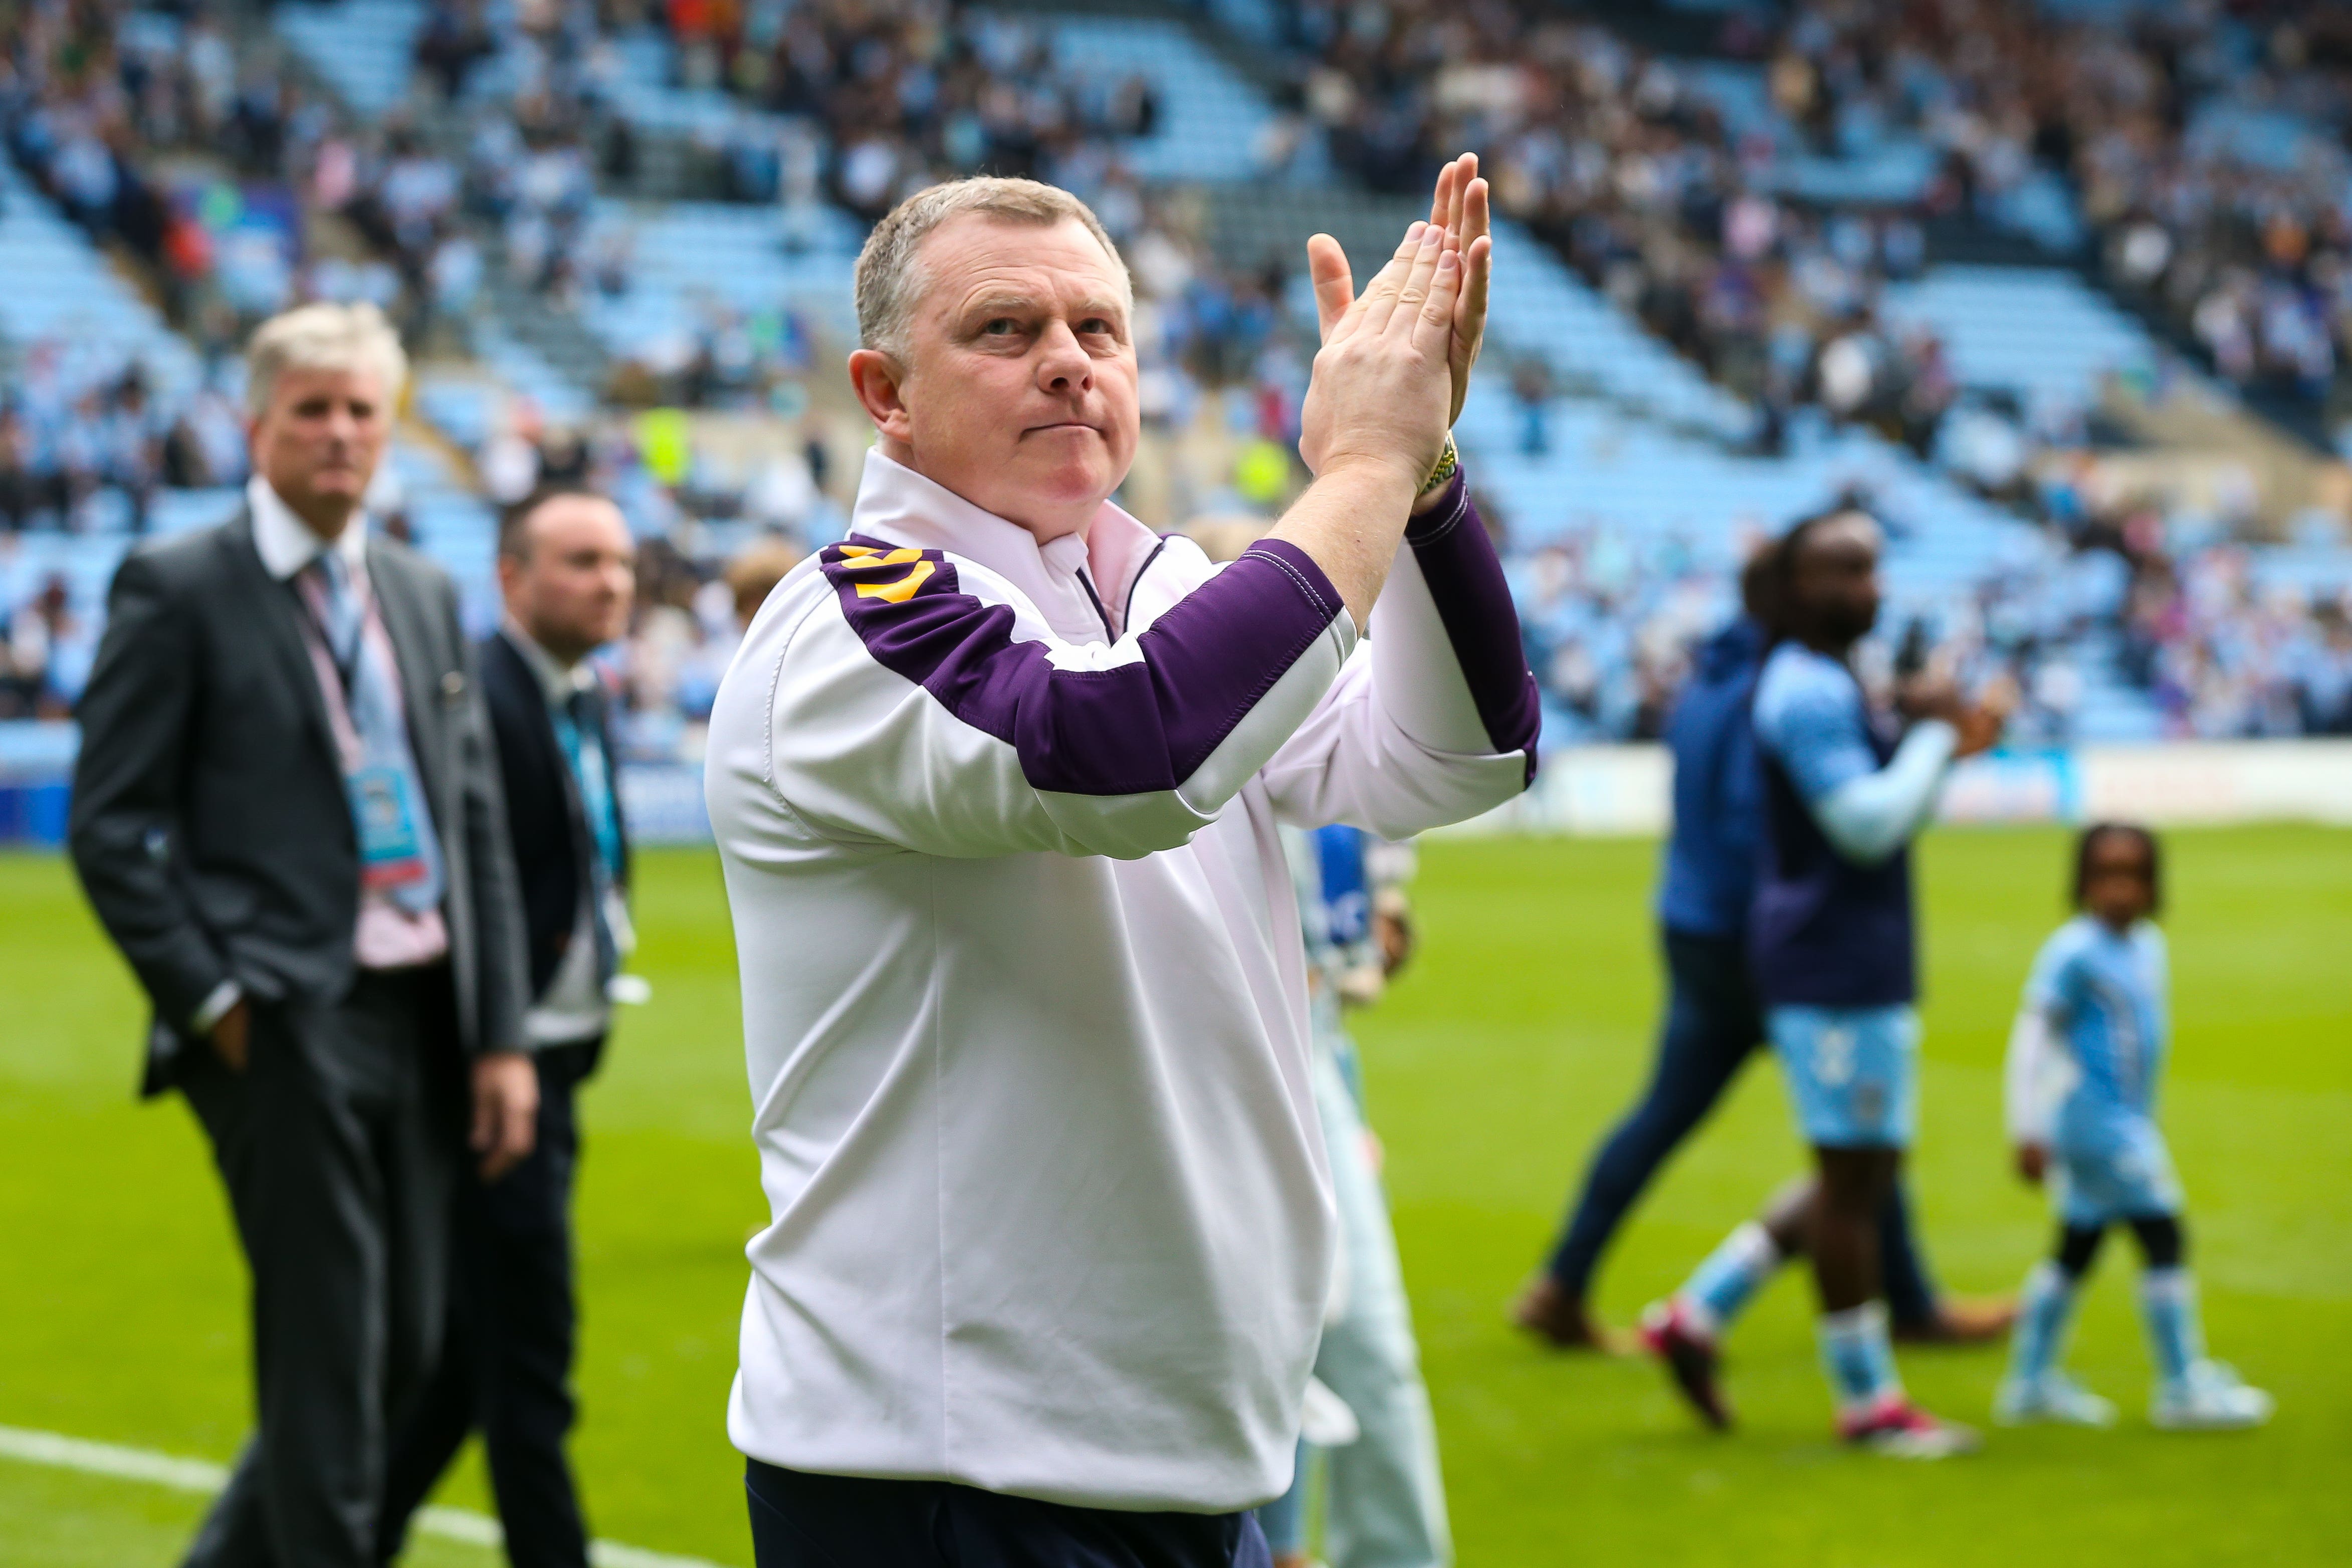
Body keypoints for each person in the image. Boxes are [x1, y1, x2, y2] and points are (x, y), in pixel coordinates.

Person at [704, 161, 1532, 1564]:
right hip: (949, 1473)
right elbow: (1120, 748)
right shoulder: (850, 619)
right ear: (882, 391)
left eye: (1099, 331)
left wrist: (1428, 476)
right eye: (1003, 331)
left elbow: (1458, 760)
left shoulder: (1166, 590)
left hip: (1188, 1454)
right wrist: (1364, 471)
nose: (1067, 366)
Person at [67, 301, 535, 1567]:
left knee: (409, 1347)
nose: (339, 435)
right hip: (283, 1015)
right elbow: (110, 826)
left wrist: (502, 1039)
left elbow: (473, 827)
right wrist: (213, 1001)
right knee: (331, 1360)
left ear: (390, 430)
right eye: (312, 411)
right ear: (256, 424)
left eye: (361, 412)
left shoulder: (425, 590)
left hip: (428, 1013)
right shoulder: (178, 586)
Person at [1514, 568, 2008, 1351]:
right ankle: (1906, 1306)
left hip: (1693, 920)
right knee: (1860, 1129)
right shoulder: (1779, 693)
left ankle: (1562, 1279)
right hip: (1765, 938)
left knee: (1668, 1115)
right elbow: (1772, 825)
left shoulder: (1710, 680)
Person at [1637, 507, 2002, 1457]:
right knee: (1853, 1187)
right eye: (1843, 570)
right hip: (1828, 959)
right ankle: (1867, 1402)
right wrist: (1928, 738)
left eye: (1873, 567)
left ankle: (1695, 1314)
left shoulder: (1829, 677)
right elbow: (1865, 825)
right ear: (1794, 587)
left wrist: (1939, 740)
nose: (1868, 587)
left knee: (1858, 1168)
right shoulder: (1803, 690)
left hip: (1852, 951)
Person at [375, 484, 640, 1566]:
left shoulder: (583, 694)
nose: (609, 581)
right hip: (494, 1071)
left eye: (619, 562)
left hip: (556, 1062)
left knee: (458, 1362)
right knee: (528, 1357)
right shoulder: (476, 696)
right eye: (579, 561)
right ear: (510, 578)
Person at [1993, 824, 2273, 1431]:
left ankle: (2029, 1381)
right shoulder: (2072, 951)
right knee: (2163, 1236)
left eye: (2133, 876)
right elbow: (2032, 1037)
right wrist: (2026, 1128)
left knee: (2076, 1247)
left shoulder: (2146, 944)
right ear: (2082, 882)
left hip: (2123, 1121)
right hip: (2099, 1126)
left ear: (2152, 885)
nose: (2119, 889)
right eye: (2105, 875)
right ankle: (2180, 1386)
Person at [1260, 824, 1450, 1568]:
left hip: (1313, 1056)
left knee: (1371, 1351)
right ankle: (1274, 1546)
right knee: (1249, 1340)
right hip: (1184, 1048)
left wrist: (1376, 924)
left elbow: (1365, 946)